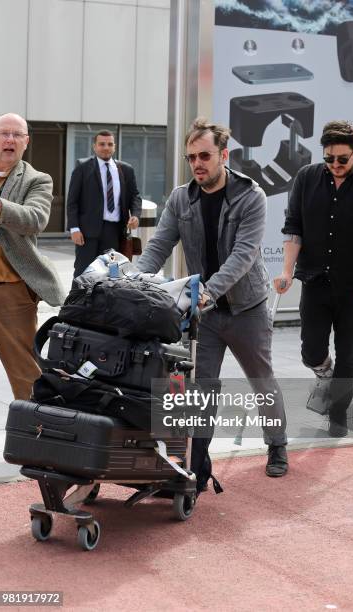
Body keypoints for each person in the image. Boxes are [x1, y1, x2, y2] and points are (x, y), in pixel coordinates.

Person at [137, 117, 288, 493]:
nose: (197, 164)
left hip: (246, 308)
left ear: (223, 155)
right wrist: (135, 281)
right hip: (203, 314)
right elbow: (158, 246)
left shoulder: (250, 195)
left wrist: (207, 291)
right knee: (200, 388)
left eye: (204, 155)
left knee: (261, 380)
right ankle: (197, 466)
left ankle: (277, 445)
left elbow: (243, 255)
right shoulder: (179, 197)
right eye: (191, 157)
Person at [274, 120, 353, 437]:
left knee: (348, 352)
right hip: (315, 279)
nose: (335, 165)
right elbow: (293, 227)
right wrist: (286, 271)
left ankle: (338, 413)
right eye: (329, 158)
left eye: (342, 159)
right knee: (311, 349)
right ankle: (324, 375)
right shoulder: (306, 179)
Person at [0, 113, 65, 400]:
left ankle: (38, 434)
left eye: (16, 135)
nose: (9, 140)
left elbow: (35, 218)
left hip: (10, 291)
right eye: (4, 133)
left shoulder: (36, 180)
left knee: (26, 375)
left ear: (26, 143)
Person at [67, 130, 142, 277]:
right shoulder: (82, 167)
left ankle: (104, 300)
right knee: (84, 273)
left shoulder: (125, 169)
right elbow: (72, 201)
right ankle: (78, 300)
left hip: (114, 231)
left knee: (111, 274)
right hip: (87, 233)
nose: (106, 147)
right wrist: (74, 229)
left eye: (109, 144)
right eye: (102, 144)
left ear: (114, 147)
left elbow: (135, 196)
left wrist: (135, 215)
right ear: (94, 146)